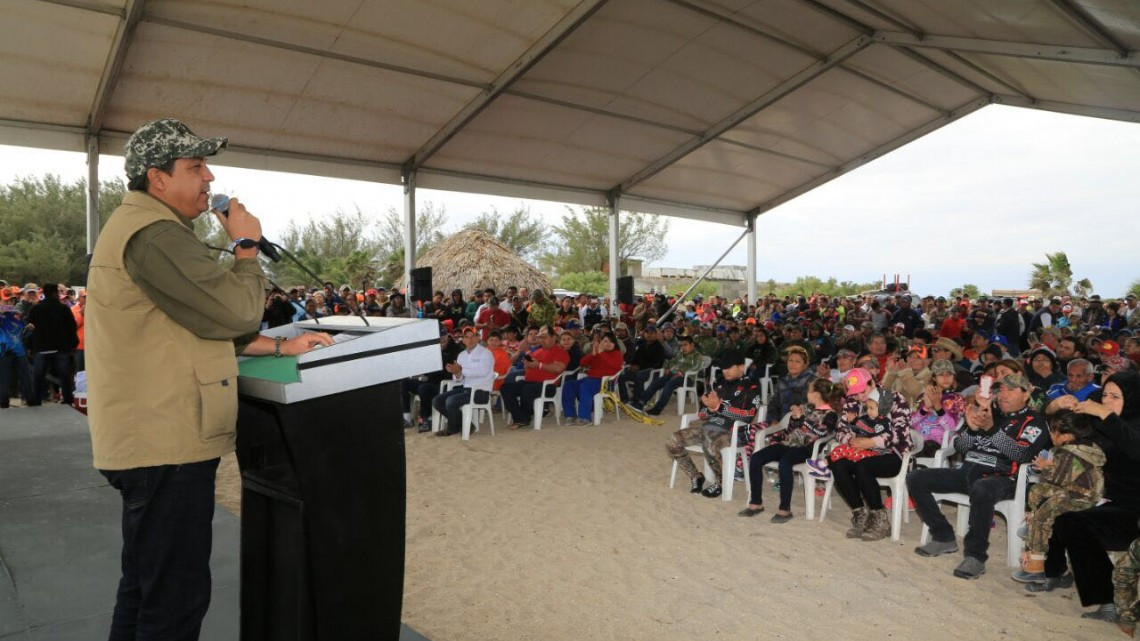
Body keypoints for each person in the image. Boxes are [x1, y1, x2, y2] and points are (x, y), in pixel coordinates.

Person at [86, 118, 333, 641]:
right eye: (195, 166)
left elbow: (194, 320)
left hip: (154, 440)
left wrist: (281, 345)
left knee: (145, 589)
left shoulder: (151, 230)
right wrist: (246, 246)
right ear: (157, 178)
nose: (210, 178)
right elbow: (236, 313)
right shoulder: (154, 236)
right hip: (163, 444)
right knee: (173, 601)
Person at [909, 374, 1049, 579]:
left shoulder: (1034, 422)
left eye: (1011, 390)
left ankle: (975, 556)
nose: (1003, 395)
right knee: (916, 478)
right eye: (1001, 390)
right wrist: (972, 430)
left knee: (982, 488)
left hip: (1003, 478)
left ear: (1026, 394)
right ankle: (943, 536)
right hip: (968, 471)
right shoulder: (988, 413)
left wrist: (990, 428)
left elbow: (1022, 454)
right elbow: (958, 447)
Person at [1030, 371, 1140, 624]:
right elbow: (1061, 427)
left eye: (1116, 396)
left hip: (1132, 509)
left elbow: (1134, 448)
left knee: (1071, 519)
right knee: (1058, 504)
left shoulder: (1120, 422)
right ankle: (1055, 571)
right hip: (1103, 500)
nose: (1108, 400)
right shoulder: (1099, 421)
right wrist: (1056, 405)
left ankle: (1110, 601)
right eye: (1105, 395)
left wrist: (1105, 414)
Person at [1010, 410, 1105, 582]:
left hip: (1078, 498)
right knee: (1038, 491)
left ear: (1067, 435)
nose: (1051, 435)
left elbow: (1057, 480)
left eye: (1054, 431)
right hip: (1082, 494)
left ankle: (1036, 565)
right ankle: (1057, 567)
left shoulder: (1069, 452)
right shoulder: (1088, 448)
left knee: (1042, 513)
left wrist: (1045, 467)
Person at [741, 378, 842, 522]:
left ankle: (785, 509)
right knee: (757, 458)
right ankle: (756, 502)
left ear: (817, 394)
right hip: (789, 443)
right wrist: (795, 418)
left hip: (807, 449)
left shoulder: (830, 414)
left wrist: (802, 419)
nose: (807, 393)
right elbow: (791, 429)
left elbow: (822, 432)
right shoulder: (808, 408)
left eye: (809, 390)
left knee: (785, 463)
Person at [827, 367, 912, 541]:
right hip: (862, 451)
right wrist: (851, 439)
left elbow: (901, 433)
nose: (860, 397)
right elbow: (840, 429)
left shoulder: (893, 398)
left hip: (893, 454)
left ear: (873, 382)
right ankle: (860, 513)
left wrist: (871, 442)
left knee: (863, 467)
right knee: (838, 464)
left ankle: (879, 517)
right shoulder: (852, 401)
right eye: (856, 394)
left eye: (862, 392)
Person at [665, 349, 761, 498]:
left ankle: (721, 482)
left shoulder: (752, 387)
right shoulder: (718, 384)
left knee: (709, 441)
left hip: (734, 432)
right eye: (724, 367)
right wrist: (709, 407)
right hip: (709, 428)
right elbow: (703, 414)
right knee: (673, 441)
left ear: (741, 367)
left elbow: (748, 416)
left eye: (730, 367)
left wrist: (719, 407)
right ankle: (696, 476)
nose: (725, 371)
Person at [502, 325, 570, 429]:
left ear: (553, 338)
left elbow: (558, 368)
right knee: (506, 388)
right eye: (541, 337)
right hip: (530, 382)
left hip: (548, 385)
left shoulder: (560, 352)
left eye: (545, 337)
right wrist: (527, 359)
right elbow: (528, 365)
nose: (542, 340)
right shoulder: (538, 351)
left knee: (527, 390)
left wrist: (539, 365)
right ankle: (520, 417)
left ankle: (523, 418)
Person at [433, 327, 496, 437]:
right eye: (467, 337)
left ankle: (452, 428)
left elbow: (483, 372)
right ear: (463, 339)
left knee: (450, 401)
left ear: (478, 338)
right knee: (437, 400)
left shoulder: (486, 353)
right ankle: (465, 424)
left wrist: (461, 370)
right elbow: (460, 379)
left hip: (481, 391)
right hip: (466, 388)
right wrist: (455, 372)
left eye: (473, 336)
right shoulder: (461, 355)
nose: (470, 340)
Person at [26, 283, 79, 405]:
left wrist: (29, 346)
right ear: (55, 293)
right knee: (64, 375)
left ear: (43, 293)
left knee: (38, 376)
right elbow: (72, 327)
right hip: (60, 348)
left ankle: (37, 400)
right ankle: (67, 399)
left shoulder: (36, 309)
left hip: (41, 348)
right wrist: (73, 344)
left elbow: (30, 329)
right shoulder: (64, 309)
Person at [562, 330, 624, 425]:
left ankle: (585, 418)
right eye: (605, 341)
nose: (607, 344)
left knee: (585, 387)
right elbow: (582, 363)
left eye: (610, 341)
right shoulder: (598, 354)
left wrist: (601, 353)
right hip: (591, 379)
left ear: (614, 343)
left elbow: (615, 365)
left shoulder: (617, 354)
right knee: (568, 385)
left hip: (605, 382)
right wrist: (593, 354)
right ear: (601, 342)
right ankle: (570, 415)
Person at [633, 335, 704, 416]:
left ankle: (658, 409)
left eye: (685, 345)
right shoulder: (679, 354)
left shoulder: (697, 356)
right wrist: (666, 367)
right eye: (681, 345)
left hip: (687, 378)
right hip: (673, 375)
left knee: (669, 384)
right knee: (657, 382)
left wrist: (682, 372)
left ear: (692, 345)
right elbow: (670, 361)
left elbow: (697, 367)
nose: (683, 347)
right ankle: (641, 402)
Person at [910, 359, 965, 457]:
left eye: (949, 374)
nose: (946, 378)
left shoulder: (956, 398)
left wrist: (937, 406)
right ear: (934, 378)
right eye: (941, 374)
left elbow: (951, 427)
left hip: (937, 443)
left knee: (923, 450)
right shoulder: (923, 396)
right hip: (916, 439)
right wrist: (926, 408)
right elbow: (911, 423)